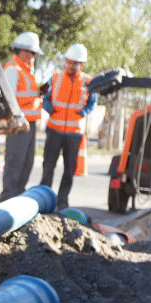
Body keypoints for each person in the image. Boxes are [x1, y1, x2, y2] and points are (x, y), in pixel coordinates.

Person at [39, 43, 96, 210]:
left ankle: (62, 201)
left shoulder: (88, 82)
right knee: (48, 166)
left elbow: (93, 103)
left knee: (69, 170)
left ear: (81, 65)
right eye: (69, 62)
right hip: (54, 130)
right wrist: (50, 109)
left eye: (75, 63)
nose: (70, 66)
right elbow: (45, 98)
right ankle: (44, 198)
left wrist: (83, 113)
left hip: (74, 133)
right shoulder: (55, 77)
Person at [0, 31, 43, 202]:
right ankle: (7, 200)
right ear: (25, 52)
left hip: (29, 124)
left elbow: (26, 96)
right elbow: (10, 100)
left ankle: (16, 199)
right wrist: (19, 120)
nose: (35, 57)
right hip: (19, 124)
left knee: (26, 164)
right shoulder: (12, 69)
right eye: (34, 53)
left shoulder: (26, 71)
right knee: (15, 164)